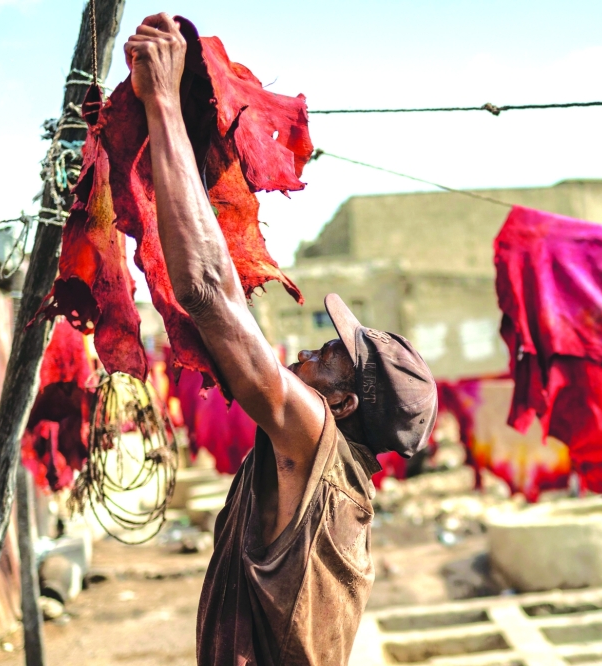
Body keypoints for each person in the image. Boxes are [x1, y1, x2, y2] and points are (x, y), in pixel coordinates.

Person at [123, 13, 438, 666]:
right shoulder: (329, 474)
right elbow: (224, 322)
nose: (305, 354)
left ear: (343, 406)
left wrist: (162, 105)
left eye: (329, 357)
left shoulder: (314, 440)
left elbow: (209, 289)